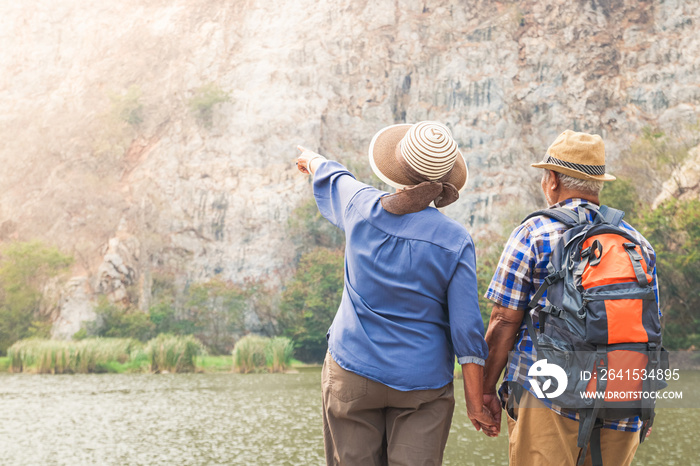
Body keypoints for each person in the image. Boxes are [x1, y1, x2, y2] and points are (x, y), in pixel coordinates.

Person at [295, 121, 497, 465]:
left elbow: (333, 173)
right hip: (422, 382)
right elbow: (467, 330)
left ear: (395, 169)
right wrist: (476, 402)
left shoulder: (360, 206)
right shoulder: (455, 240)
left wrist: (310, 160)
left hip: (352, 369)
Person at [481, 130, 659, 466]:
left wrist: (485, 391)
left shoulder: (533, 234)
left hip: (547, 398)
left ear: (551, 181)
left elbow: (503, 320)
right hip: (621, 400)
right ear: (598, 185)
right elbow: (649, 327)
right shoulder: (637, 243)